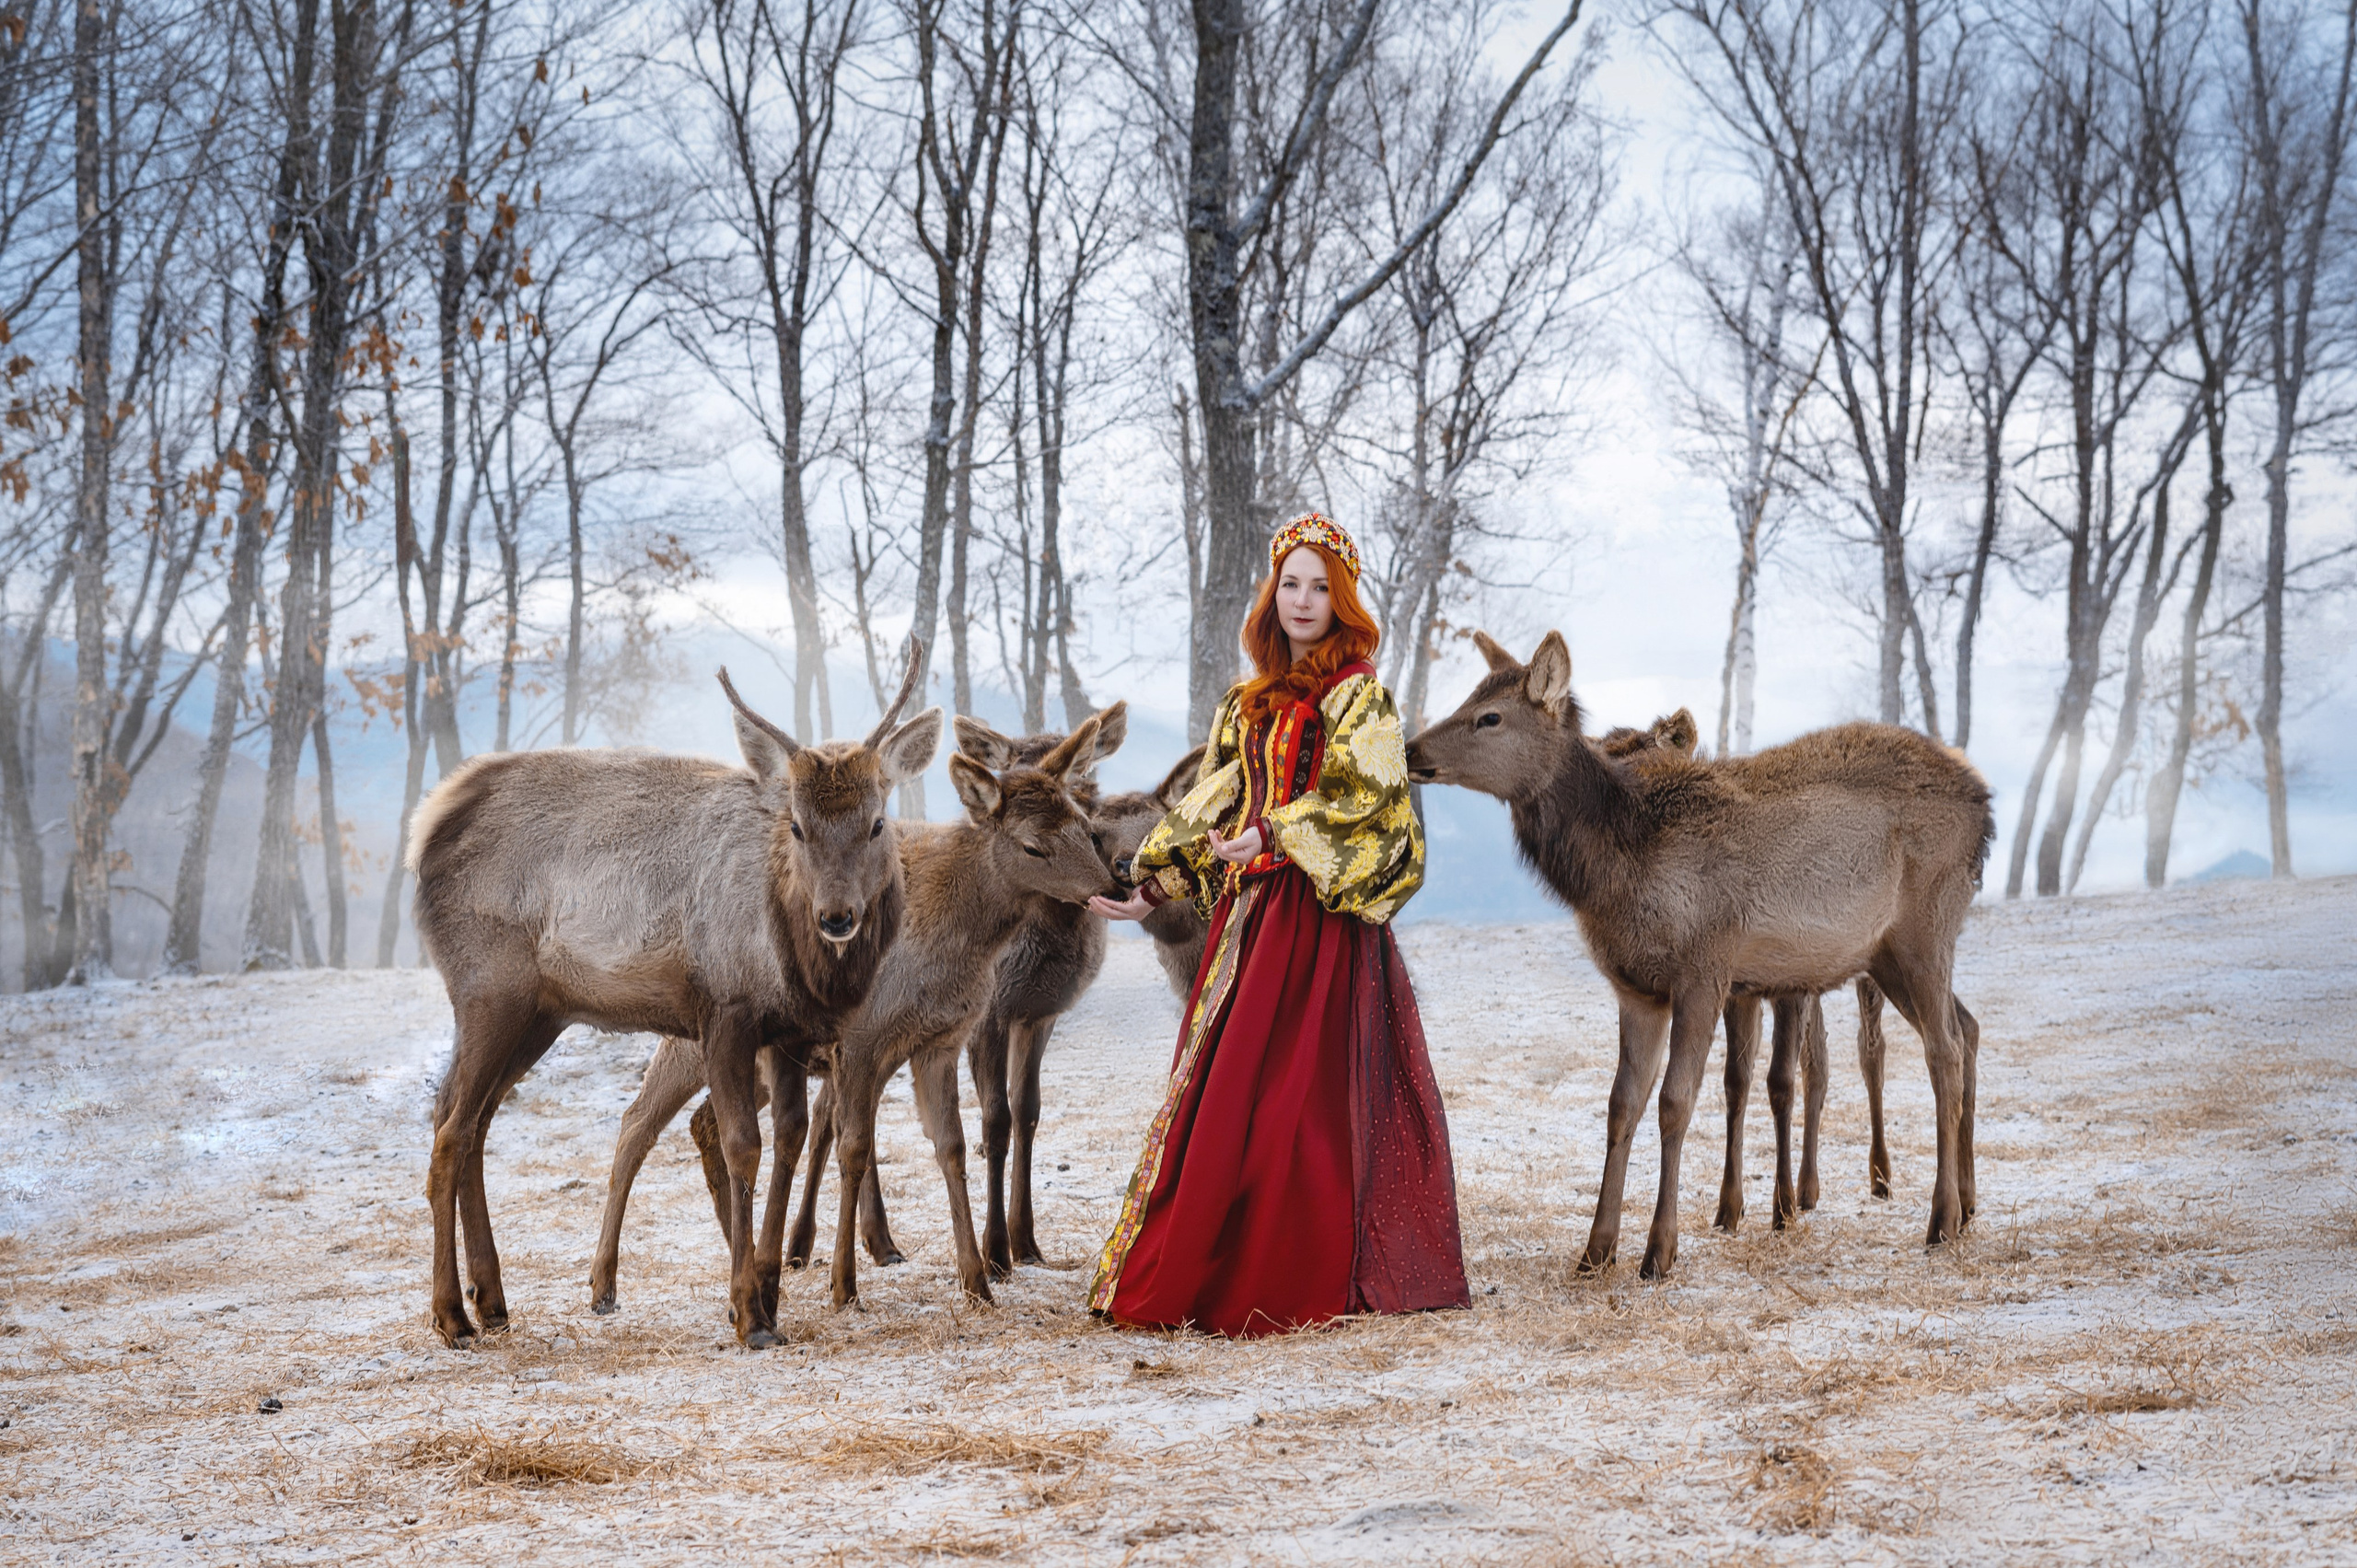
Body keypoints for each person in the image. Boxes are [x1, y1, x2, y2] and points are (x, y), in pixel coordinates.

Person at [1085, 512, 1469, 1337]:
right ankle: (1208, 1263)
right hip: (1248, 924)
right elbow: (1213, 800)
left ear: (1342, 600)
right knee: (1229, 1096)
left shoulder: (1359, 696)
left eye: (1319, 587)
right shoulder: (1247, 701)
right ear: (1272, 595)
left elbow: (1369, 799)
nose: (1302, 600)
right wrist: (1154, 886)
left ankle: (1294, 1268)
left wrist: (1278, 832)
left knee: (1306, 1103)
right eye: (1290, 584)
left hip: (1323, 928)